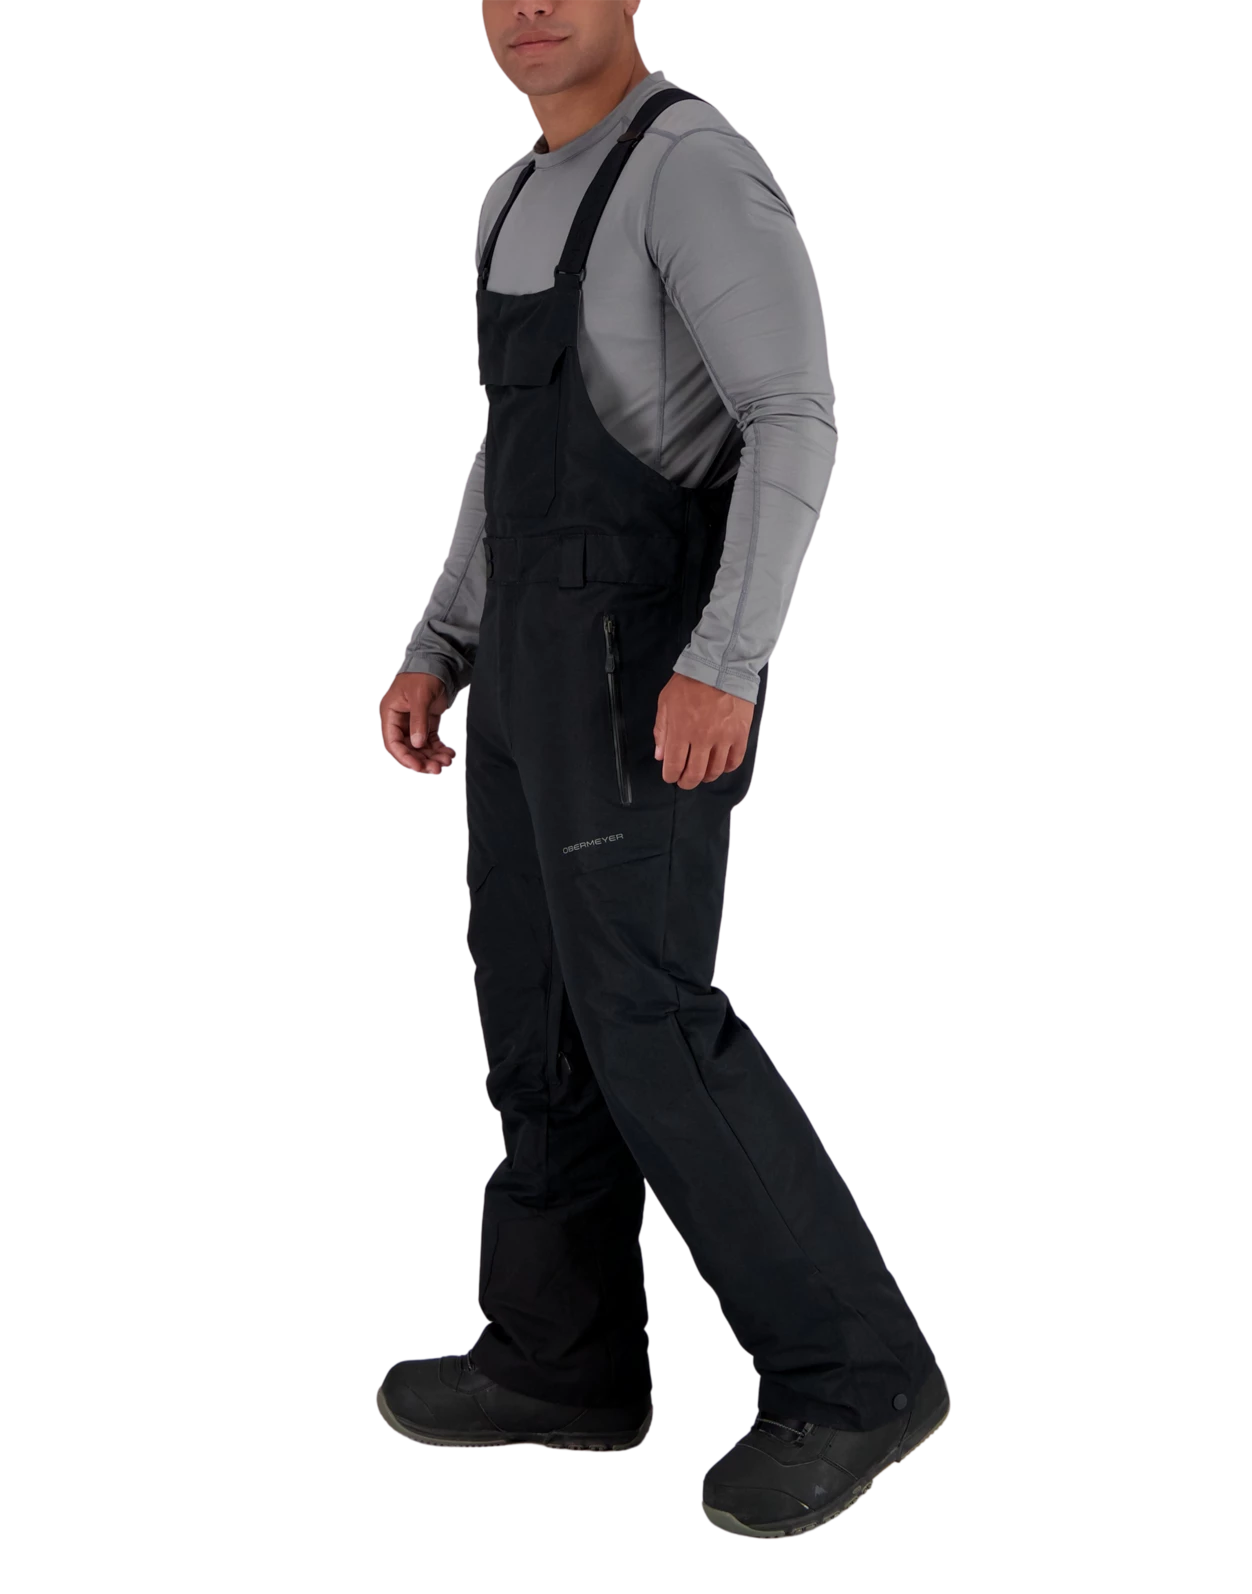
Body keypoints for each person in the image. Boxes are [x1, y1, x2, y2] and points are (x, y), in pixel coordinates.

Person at [375, 0, 950, 1538]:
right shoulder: (508, 192)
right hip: (520, 666)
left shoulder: (691, 163)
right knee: (534, 1015)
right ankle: (557, 1362)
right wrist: (438, 638)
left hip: (639, 656)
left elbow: (791, 414)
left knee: (649, 1016)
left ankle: (860, 1374)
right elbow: (502, 451)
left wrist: (728, 657)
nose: (529, 11)